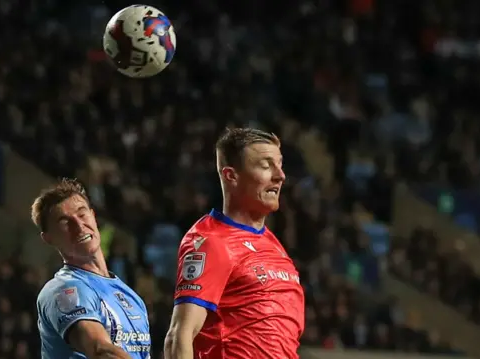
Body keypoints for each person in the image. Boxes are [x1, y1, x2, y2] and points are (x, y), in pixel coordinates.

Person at [164, 128, 305, 359]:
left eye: (280, 165)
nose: (280, 176)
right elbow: (179, 336)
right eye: (266, 165)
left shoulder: (273, 244)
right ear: (231, 176)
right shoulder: (212, 241)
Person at [33, 179, 152, 359]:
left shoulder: (132, 297)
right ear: (48, 238)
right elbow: (100, 350)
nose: (79, 226)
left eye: (82, 215)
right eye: (65, 222)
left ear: (93, 216)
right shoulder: (64, 290)